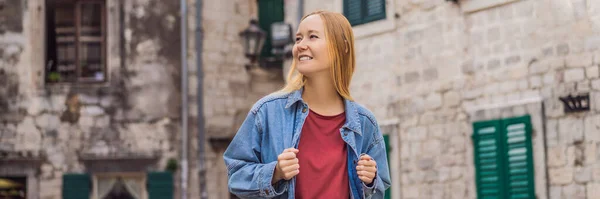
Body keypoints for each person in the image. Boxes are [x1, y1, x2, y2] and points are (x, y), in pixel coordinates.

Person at [224, 10, 391, 199]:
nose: (300, 46)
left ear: (342, 47)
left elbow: (379, 192)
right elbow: (236, 175)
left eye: (312, 37)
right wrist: (275, 172)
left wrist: (371, 181)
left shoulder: (365, 122)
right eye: (298, 39)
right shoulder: (267, 112)